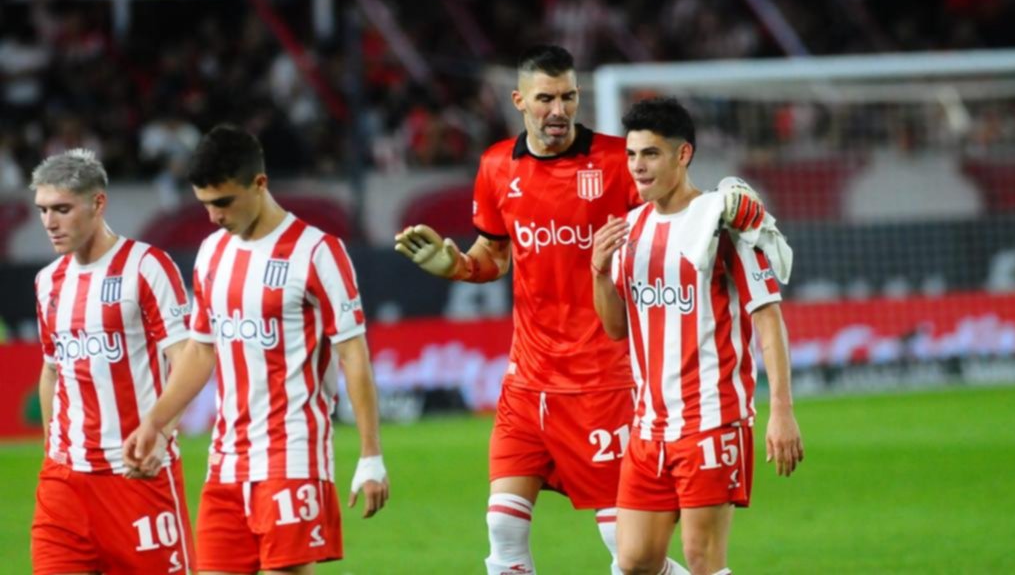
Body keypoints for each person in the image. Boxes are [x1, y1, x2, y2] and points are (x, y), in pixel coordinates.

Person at [395, 45, 762, 574]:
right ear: (520, 100)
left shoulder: (620, 161)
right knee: (502, 527)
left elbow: (677, 217)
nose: (558, 110)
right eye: (545, 99)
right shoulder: (497, 166)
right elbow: (494, 256)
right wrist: (452, 263)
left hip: (602, 381)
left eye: (568, 97)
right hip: (527, 381)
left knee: (630, 551)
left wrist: (728, 210)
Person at [123, 125, 389, 574]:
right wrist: (156, 420)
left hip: (294, 458)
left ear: (259, 184)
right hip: (225, 461)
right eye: (205, 204)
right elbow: (201, 351)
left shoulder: (318, 252)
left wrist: (371, 454)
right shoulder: (211, 253)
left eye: (224, 202)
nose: (213, 217)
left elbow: (353, 355)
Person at [591, 97, 805, 575]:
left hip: (712, 420)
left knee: (703, 558)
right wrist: (599, 273)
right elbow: (615, 328)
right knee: (633, 561)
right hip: (649, 427)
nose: (637, 167)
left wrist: (782, 413)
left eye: (650, 154)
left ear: (682, 154)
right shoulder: (631, 230)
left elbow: (768, 317)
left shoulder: (721, 225)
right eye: (631, 155)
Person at [29, 148, 196, 574]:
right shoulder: (48, 282)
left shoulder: (146, 267)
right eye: (44, 210)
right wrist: (54, 449)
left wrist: (159, 430)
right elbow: (52, 370)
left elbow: (189, 357)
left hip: (135, 477)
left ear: (98, 203)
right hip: (64, 485)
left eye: (62, 209)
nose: (50, 222)